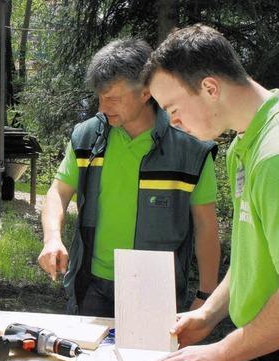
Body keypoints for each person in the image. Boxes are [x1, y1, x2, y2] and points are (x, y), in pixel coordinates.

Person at [143, 24, 279, 361]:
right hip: (259, 347)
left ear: (210, 88)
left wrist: (222, 353)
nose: (173, 122)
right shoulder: (244, 143)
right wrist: (209, 315)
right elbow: (255, 256)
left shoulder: (273, 157)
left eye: (173, 108)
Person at [38, 38, 220, 317]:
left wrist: (206, 295)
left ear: (146, 92)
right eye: (99, 97)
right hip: (91, 283)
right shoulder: (87, 136)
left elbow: (206, 226)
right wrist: (52, 239)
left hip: (154, 288)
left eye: (112, 98)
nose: (102, 107)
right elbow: (58, 192)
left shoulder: (190, 149)